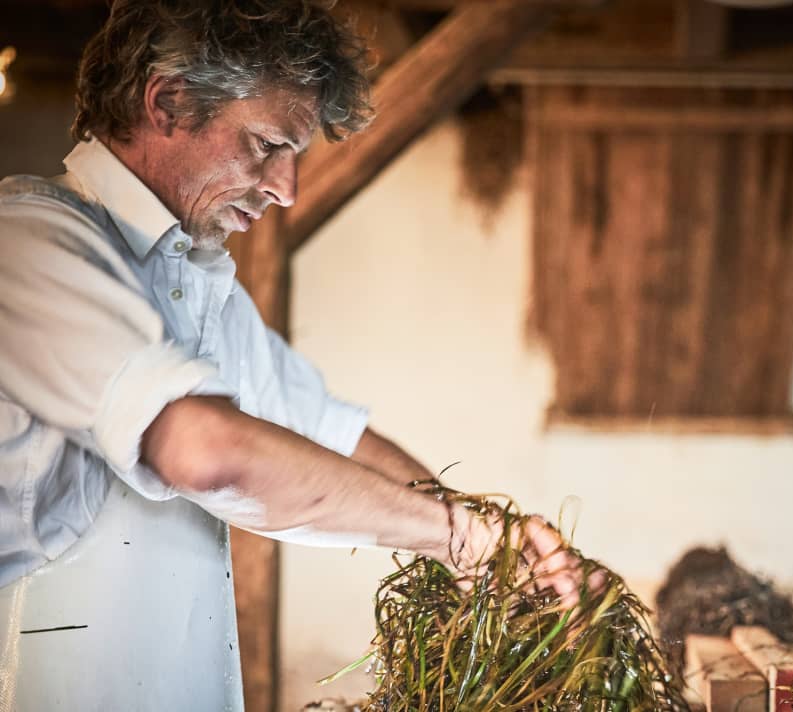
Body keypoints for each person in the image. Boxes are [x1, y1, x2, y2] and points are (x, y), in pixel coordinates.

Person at [0, 1, 583, 708]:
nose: (286, 188)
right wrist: (460, 537)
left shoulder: (196, 279)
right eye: (266, 145)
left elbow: (328, 432)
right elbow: (204, 449)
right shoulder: (27, 242)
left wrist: (487, 546)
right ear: (169, 103)